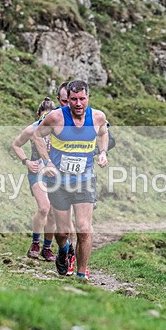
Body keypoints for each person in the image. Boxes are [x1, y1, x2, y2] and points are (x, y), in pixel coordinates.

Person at [31, 80, 109, 280]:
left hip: (84, 180)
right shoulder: (55, 117)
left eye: (82, 99)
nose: (78, 103)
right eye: (73, 99)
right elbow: (37, 136)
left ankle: (81, 275)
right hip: (59, 182)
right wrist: (47, 162)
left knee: (84, 229)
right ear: (68, 100)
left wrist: (103, 152)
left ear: (88, 98)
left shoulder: (98, 117)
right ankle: (63, 249)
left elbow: (103, 133)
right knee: (63, 232)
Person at [11, 97, 57, 261]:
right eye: (43, 116)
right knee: (44, 208)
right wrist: (26, 161)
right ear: (38, 115)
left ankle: (47, 248)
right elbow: (16, 145)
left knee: (53, 213)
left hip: (54, 174)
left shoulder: (59, 130)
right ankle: (35, 243)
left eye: (49, 117)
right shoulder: (31, 130)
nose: (45, 120)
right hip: (36, 172)